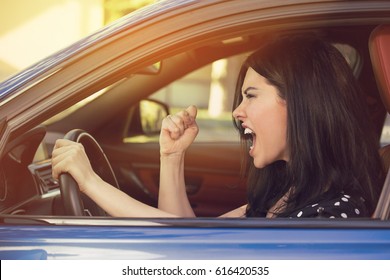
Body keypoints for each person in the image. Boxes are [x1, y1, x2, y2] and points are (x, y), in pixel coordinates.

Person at [52, 35, 384, 218]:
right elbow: (190, 241)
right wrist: (172, 157)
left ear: (300, 103)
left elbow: (179, 246)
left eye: (251, 96)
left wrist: (89, 181)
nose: (237, 111)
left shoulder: (329, 218)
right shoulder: (288, 189)